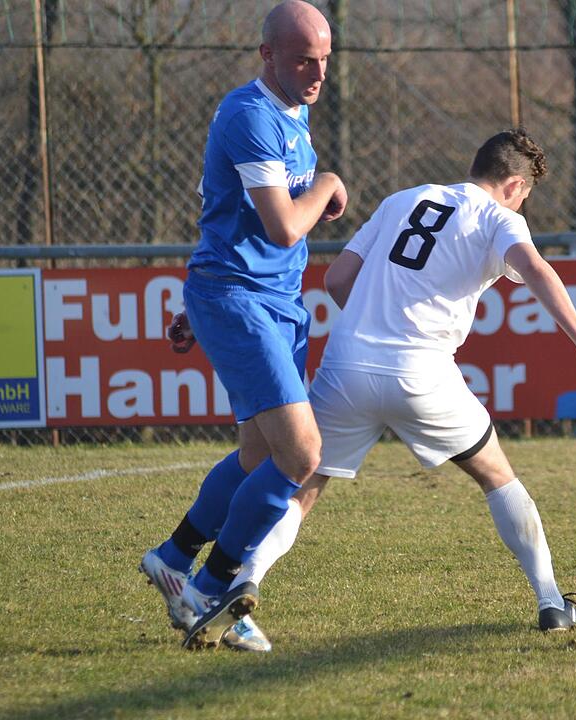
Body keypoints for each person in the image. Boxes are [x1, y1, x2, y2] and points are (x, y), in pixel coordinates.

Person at [200, 127, 576, 645]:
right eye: (527, 196)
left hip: (348, 363)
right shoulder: (500, 218)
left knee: (303, 487)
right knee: (497, 475)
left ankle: (246, 577)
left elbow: (337, 280)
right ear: (515, 185)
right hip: (422, 371)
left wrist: (375, 321)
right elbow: (536, 269)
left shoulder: (404, 199)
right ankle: (550, 602)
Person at [139, 0, 347, 652]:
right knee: (304, 455)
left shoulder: (294, 108)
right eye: (302, 60)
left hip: (273, 303)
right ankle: (213, 585)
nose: (316, 73)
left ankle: (175, 558)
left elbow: (235, 219)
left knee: (260, 456)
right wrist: (330, 184)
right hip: (240, 301)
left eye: (323, 60)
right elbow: (283, 224)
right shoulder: (249, 115)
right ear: (268, 56)